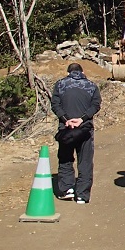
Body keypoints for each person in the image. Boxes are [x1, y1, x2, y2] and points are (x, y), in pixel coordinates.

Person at [50, 62, 102, 204]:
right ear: (82, 71)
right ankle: (82, 195)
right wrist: (82, 119)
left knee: (65, 158)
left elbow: (55, 104)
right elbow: (96, 105)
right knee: (85, 162)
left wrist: (66, 119)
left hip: (66, 129)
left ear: (68, 72)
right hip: (85, 128)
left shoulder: (60, 84)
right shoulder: (91, 86)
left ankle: (67, 189)